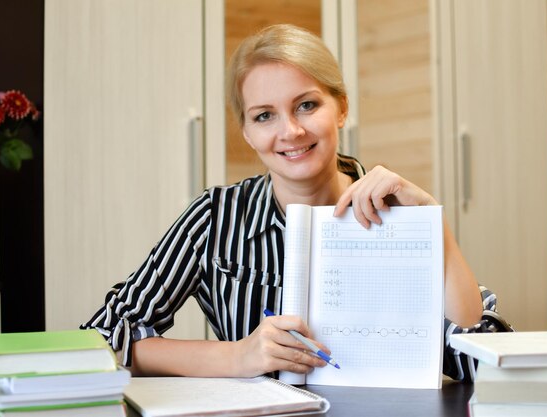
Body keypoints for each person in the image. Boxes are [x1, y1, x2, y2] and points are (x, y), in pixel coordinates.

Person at [82, 24, 511, 381]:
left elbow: (484, 357)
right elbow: (103, 335)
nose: (290, 131)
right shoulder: (215, 218)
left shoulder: (396, 211)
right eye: (264, 115)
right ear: (247, 132)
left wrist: (434, 225)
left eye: (306, 105)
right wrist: (238, 357)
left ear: (341, 108)